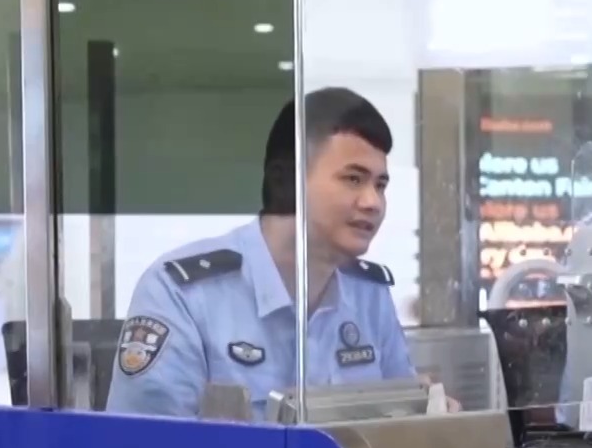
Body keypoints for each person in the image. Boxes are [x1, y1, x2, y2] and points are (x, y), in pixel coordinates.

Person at [105, 88, 417, 420]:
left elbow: (403, 424)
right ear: (288, 182)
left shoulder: (369, 295)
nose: (373, 202)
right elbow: (143, 447)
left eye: (380, 185)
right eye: (353, 179)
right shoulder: (182, 294)